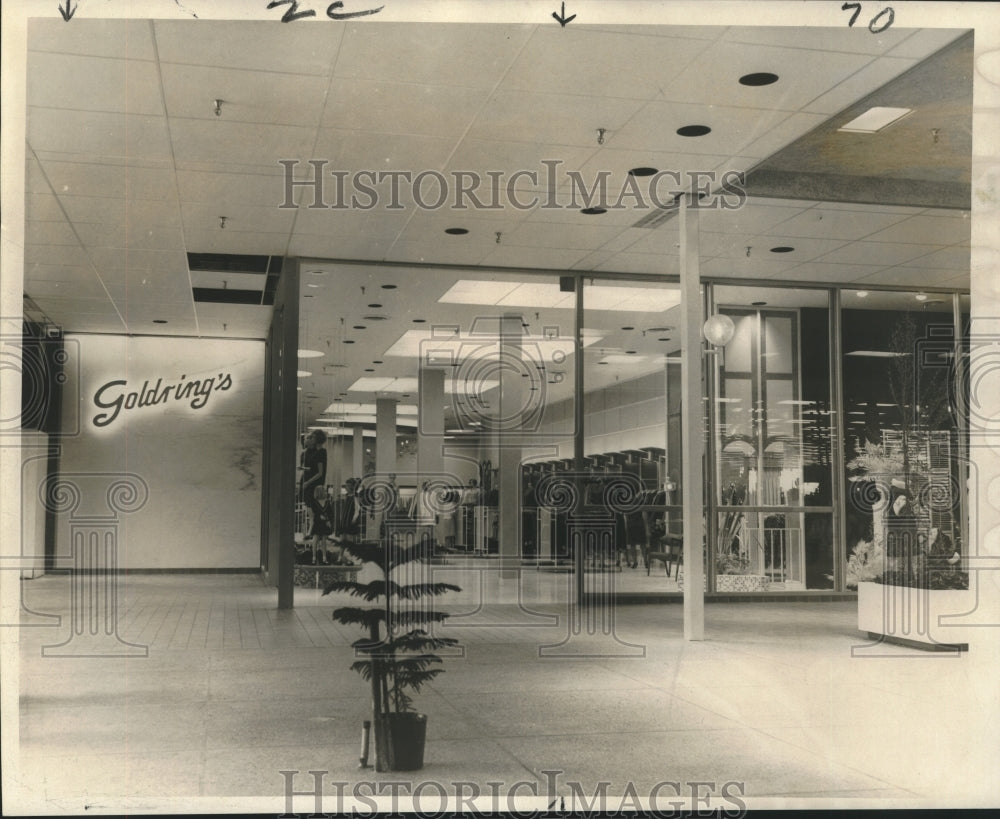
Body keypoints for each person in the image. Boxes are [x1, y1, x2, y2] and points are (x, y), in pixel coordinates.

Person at [300, 430, 329, 562]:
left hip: (315, 485)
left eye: (311, 437)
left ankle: (312, 530)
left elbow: (320, 473)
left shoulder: (321, 452)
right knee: (309, 508)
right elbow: (310, 469)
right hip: (308, 483)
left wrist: (307, 482)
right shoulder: (310, 453)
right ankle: (311, 530)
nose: (309, 439)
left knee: (313, 507)